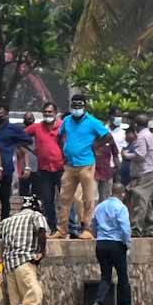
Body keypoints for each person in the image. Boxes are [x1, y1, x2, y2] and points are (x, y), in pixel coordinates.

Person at [0, 195, 48, 305]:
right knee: (34, 298)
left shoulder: (8, 220)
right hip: (24, 263)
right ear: (36, 206)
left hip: (9, 267)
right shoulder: (36, 215)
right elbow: (42, 230)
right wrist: (41, 252)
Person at [57, 94, 112, 239]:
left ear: (84, 107)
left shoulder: (92, 122)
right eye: (74, 105)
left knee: (88, 198)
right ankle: (62, 229)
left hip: (86, 164)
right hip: (70, 164)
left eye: (79, 106)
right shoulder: (67, 120)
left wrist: (96, 146)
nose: (76, 108)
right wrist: (63, 150)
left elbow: (108, 136)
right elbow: (59, 136)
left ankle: (88, 229)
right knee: (64, 198)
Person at [90, 193, 133, 305]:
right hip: (116, 243)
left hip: (101, 243)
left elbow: (94, 224)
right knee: (123, 277)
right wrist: (128, 243)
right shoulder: (121, 207)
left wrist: (98, 235)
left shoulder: (100, 207)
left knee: (105, 276)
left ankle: (99, 302)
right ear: (122, 194)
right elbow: (125, 228)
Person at [26, 102, 66, 234]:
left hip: (61, 168)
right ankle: (52, 227)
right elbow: (20, 137)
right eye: (46, 112)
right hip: (44, 169)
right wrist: (32, 150)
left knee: (66, 199)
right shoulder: (37, 127)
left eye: (50, 112)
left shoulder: (63, 126)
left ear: (55, 113)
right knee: (48, 200)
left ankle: (69, 227)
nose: (48, 114)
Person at [0, 104, 32, 223]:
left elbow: (28, 140)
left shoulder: (13, 129)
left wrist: (15, 143)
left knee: (5, 199)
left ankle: (5, 223)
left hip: (7, 168)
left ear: (6, 115)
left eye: (0, 114)